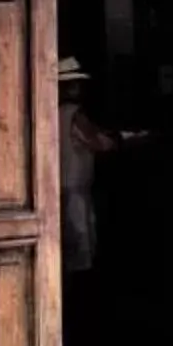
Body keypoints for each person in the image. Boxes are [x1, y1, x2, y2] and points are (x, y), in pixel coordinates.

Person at [58, 56, 124, 273]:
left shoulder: (51, 113)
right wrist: (119, 140)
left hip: (60, 186)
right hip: (75, 188)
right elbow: (99, 142)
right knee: (80, 244)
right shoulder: (75, 115)